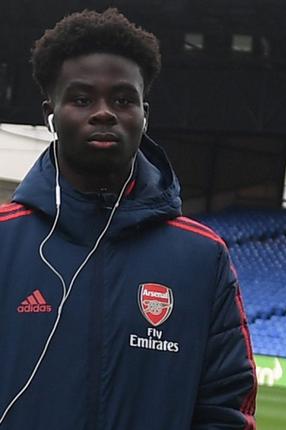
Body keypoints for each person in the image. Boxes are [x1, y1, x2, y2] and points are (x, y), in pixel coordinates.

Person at [0, 9, 257, 429]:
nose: (104, 113)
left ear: (144, 113)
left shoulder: (201, 256)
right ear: (51, 113)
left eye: (123, 100)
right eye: (82, 99)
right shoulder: (3, 240)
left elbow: (225, 406)